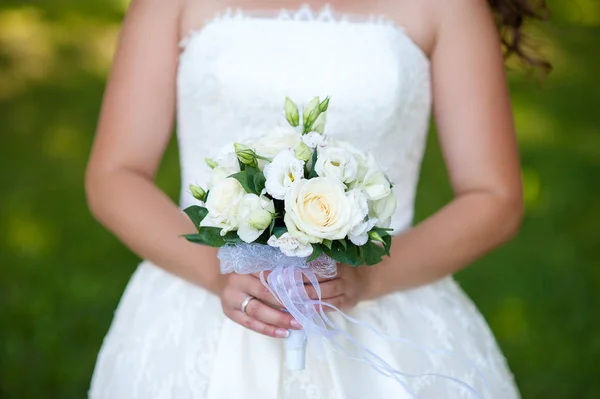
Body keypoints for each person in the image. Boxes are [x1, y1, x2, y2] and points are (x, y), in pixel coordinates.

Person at [86, 0, 547, 397]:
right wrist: (220, 270)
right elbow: (115, 173)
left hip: (386, 298)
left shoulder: (449, 7)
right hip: (195, 297)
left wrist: (367, 279)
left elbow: (494, 196)